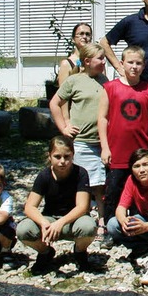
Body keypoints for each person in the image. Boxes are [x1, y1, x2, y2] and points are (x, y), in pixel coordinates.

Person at [98, 46, 148, 248]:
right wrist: (105, 147)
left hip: (140, 152)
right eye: (130, 62)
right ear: (122, 63)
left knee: (140, 192)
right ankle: (110, 229)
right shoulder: (110, 87)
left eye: (138, 63)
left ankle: (137, 229)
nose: (134, 67)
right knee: (114, 192)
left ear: (144, 66)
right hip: (117, 151)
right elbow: (103, 118)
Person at [50, 43, 109, 242]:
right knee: (82, 183)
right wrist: (64, 127)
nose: (104, 62)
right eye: (100, 58)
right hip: (82, 142)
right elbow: (54, 103)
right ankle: (79, 220)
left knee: (100, 184)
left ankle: (102, 222)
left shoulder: (104, 81)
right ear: (86, 61)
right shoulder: (74, 81)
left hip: (100, 141)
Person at [17, 136, 97, 274]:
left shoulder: (81, 173)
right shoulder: (44, 176)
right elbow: (29, 207)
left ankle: (80, 252)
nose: (62, 161)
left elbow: (83, 207)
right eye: (57, 157)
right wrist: (43, 222)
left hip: (74, 220)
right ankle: (45, 252)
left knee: (89, 227)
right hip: (50, 220)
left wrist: (60, 223)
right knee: (23, 230)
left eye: (67, 157)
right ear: (50, 156)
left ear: (73, 155)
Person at [106, 149, 148, 285]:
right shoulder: (132, 180)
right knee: (113, 225)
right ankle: (142, 248)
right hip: (143, 219)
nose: (141, 170)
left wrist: (146, 227)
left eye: (145, 165)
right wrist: (123, 220)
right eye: (136, 166)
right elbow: (121, 207)